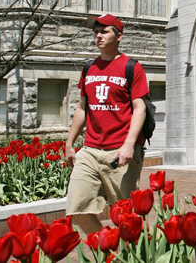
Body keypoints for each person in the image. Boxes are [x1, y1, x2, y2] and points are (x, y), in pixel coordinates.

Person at [65, 14, 149, 235]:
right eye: (96, 31)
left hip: (119, 152)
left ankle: (135, 255)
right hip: (90, 150)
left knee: (126, 216)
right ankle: (106, 249)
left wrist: (130, 144)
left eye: (104, 31)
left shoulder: (131, 67)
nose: (98, 35)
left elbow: (139, 108)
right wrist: (70, 143)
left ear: (119, 35)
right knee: (77, 209)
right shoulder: (88, 68)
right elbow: (83, 108)